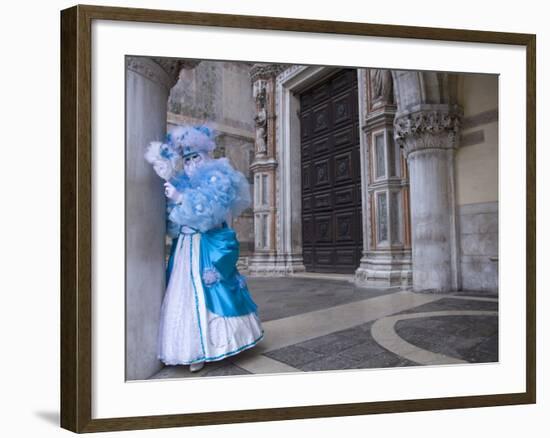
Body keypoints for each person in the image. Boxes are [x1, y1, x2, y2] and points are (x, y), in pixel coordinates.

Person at [145, 125, 264, 373]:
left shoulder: (218, 178)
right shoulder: (181, 182)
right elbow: (172, 221)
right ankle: (187, 349)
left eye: (195, 157)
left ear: (205, 154)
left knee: (210, 292)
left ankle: (213, 347)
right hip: (184, 249)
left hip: (205, 247)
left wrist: (180, 199)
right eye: (186, 159)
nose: (190, 163)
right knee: (182, 295)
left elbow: (211, 215)